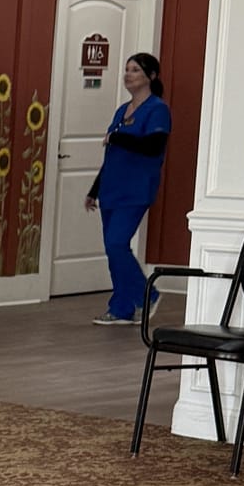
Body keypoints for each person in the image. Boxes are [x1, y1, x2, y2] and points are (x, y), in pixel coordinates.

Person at [86, 53, 170, 325]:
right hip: (111, 187)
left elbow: (153, 147)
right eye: (127, 70)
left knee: (117, 243)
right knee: (113, 249)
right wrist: (94, 189)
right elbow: (112, 154)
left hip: (135, 189)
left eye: (135, 70)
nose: (128, 74)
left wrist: (118, 137)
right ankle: (121, 308)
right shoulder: (122, 111)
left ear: (151, 76)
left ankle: (148, 295)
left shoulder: (157, 110)